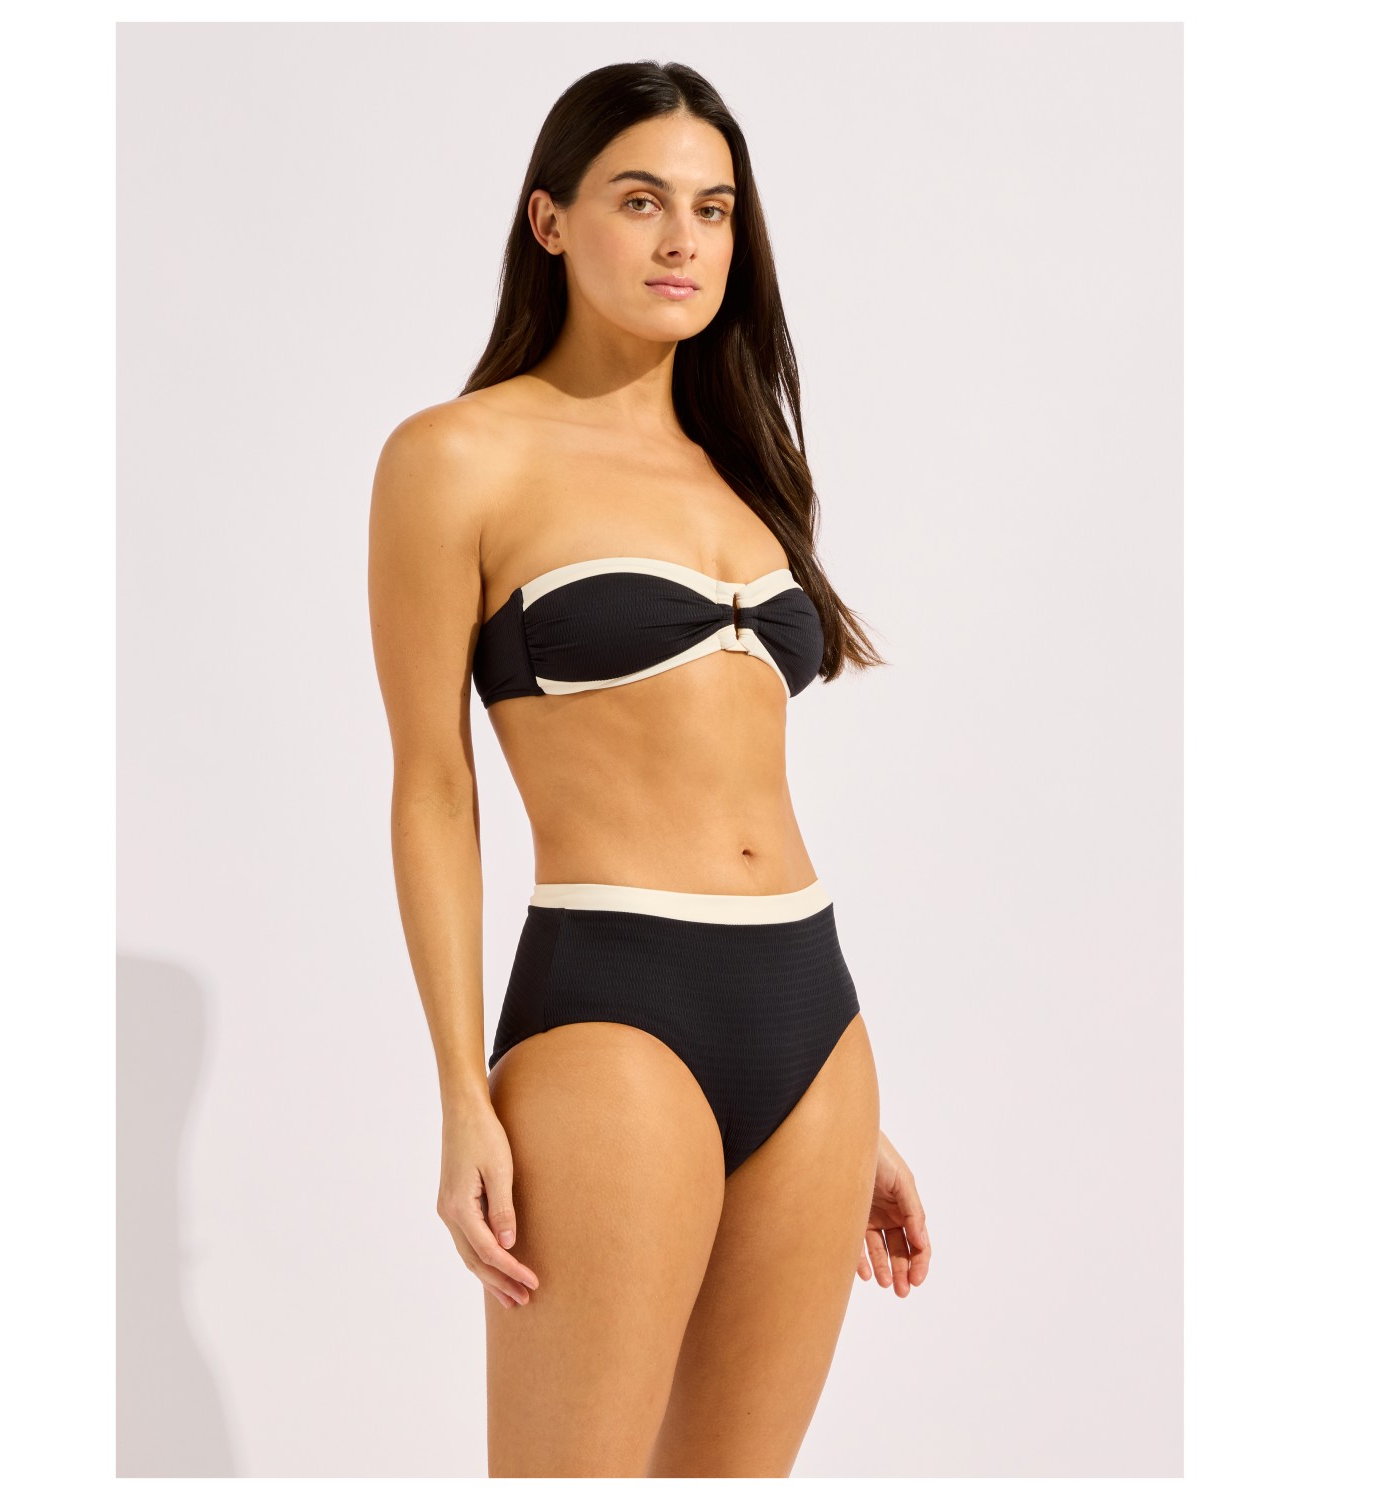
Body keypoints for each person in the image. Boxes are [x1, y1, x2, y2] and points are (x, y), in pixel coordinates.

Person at [367, 59, 931, 1478]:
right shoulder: (457, 458)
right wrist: (460, 1093)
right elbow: (434, 787)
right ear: (550, 220)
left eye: (714, 209)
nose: (685, 241)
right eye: (640, 201)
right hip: (613, 1012)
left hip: (816, 1024)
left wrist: (854, 1126)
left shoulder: (745, 470)